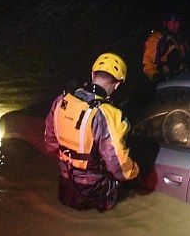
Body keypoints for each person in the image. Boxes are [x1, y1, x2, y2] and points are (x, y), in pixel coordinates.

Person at [44, 52, 140, 212]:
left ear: (93, 74)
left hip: (65, 184)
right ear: (117, 85)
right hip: (95, 192)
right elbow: (117, 164)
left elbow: (50, 144)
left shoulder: (61, 101)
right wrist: (135, 171)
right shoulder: (109, 114)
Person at [142, 11, 190, 83]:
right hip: (169, 80)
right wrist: (155, 76)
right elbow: (147, 62)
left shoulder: (179, 37)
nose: (177, 24)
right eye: (173, 22)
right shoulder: (157, 38)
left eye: (178, 21)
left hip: (184, 77)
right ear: (165, 23)